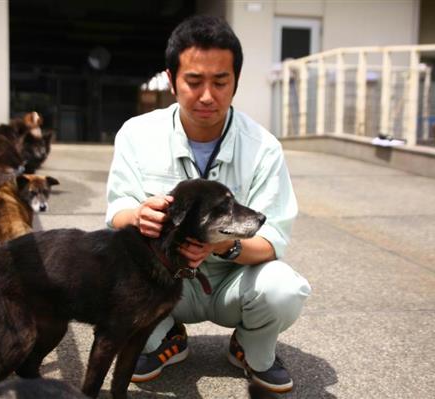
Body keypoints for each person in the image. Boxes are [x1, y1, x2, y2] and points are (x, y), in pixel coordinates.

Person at [105, 15, 311, 394]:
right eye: (193, 81)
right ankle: (163, 337)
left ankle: (252, 348)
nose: (206, 95)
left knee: (283, 288)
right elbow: (115, 216)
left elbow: (273, 241)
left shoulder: (263, 147)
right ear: (171, 79)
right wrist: (136, 215)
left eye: (220, 82)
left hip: (232, 284)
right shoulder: (136, 135)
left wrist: (221, 245)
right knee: (110, 265)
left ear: (236, 80)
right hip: (164, 282)